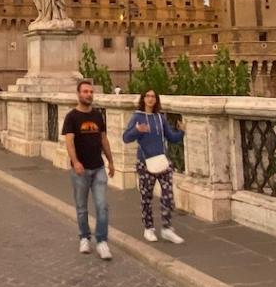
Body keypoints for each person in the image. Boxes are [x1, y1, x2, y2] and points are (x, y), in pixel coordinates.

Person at [122, 89, 185, 244]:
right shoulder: (137, 117)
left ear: (156, 100)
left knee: (168, 196)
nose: (150, 99)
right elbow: (126, 138)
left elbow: (171, 138)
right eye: (147, 96)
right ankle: (148, 228)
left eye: (153, 97)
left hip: (163, 162)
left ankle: (167, 228)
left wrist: (181, 132)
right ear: (143, 99)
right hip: (145, 164)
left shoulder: (160, 118)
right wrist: (137, 130)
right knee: (146, 197)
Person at [62, 80, 115, 260]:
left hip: (98, 167)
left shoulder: (98, 116)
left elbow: (103, 139)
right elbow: (69, 142)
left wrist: (111, 160)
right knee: (82, 208)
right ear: (78, 94)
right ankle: (84, 237)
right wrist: (75, 162)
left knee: (102, 206)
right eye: (85, 91)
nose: (89, 94)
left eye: (91, 91)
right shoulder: (71, 117)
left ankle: (102, 241)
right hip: (81, 169)